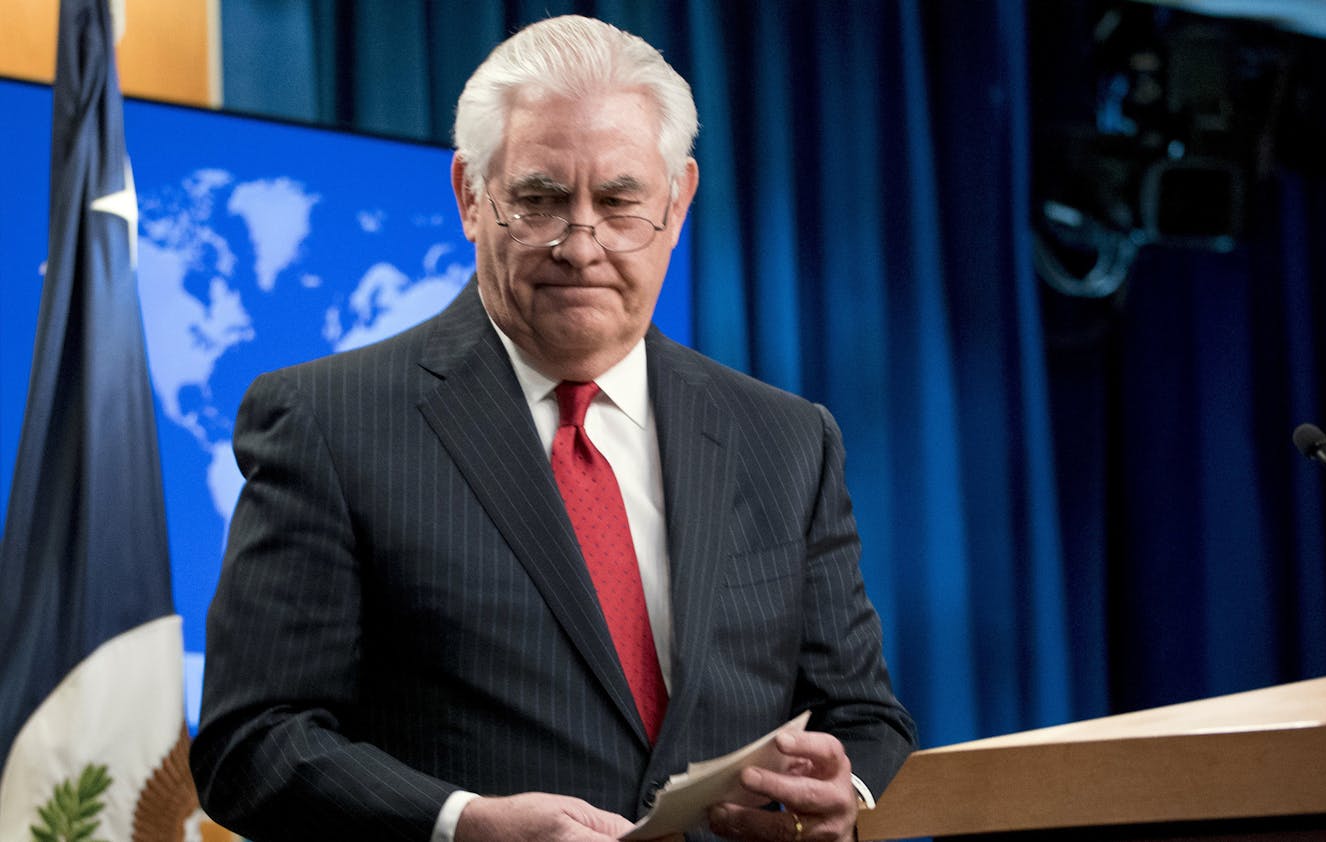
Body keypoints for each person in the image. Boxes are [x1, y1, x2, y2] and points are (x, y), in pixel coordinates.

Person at [190, 14, 916, 842]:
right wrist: (464, 825)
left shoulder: (788, 440)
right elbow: (251, 743)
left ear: (678, 202)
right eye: (539, 200)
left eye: (619, 201)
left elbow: (863, 715)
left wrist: (844, 792)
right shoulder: (326, 422)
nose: (582, 243)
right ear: (470, 196)